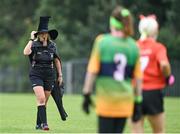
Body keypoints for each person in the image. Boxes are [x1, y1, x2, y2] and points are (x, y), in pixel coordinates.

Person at [82, 6, 143, 133]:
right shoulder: (134, 46)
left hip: (106, 102)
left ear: (112, 23)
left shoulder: (102, 41)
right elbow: (137, 78)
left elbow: (92, 71)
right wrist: (138, 101)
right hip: (125, 102)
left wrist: (87, 94)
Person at [131, 15, 175, 133]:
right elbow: (164, 65)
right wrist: (168, 77)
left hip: (135, 91)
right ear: (155, 31)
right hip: (153, 93)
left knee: (136, 131)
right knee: (159, 131)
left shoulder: (133, 46)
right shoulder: (158, 47)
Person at [23, 16, 66, 130]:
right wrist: (31, 39)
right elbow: (26, 52)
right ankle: (44, 124)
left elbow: (56, 60)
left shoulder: (52, 46)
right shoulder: (33, 44)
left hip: (49, 75)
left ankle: (38, 124)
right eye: (41, 33)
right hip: (36, 74)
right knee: (41, 98)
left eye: (45, 33)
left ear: (47, 34)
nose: (43, 35)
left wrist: (60, 75)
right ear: (38, 34)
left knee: (43, 101)